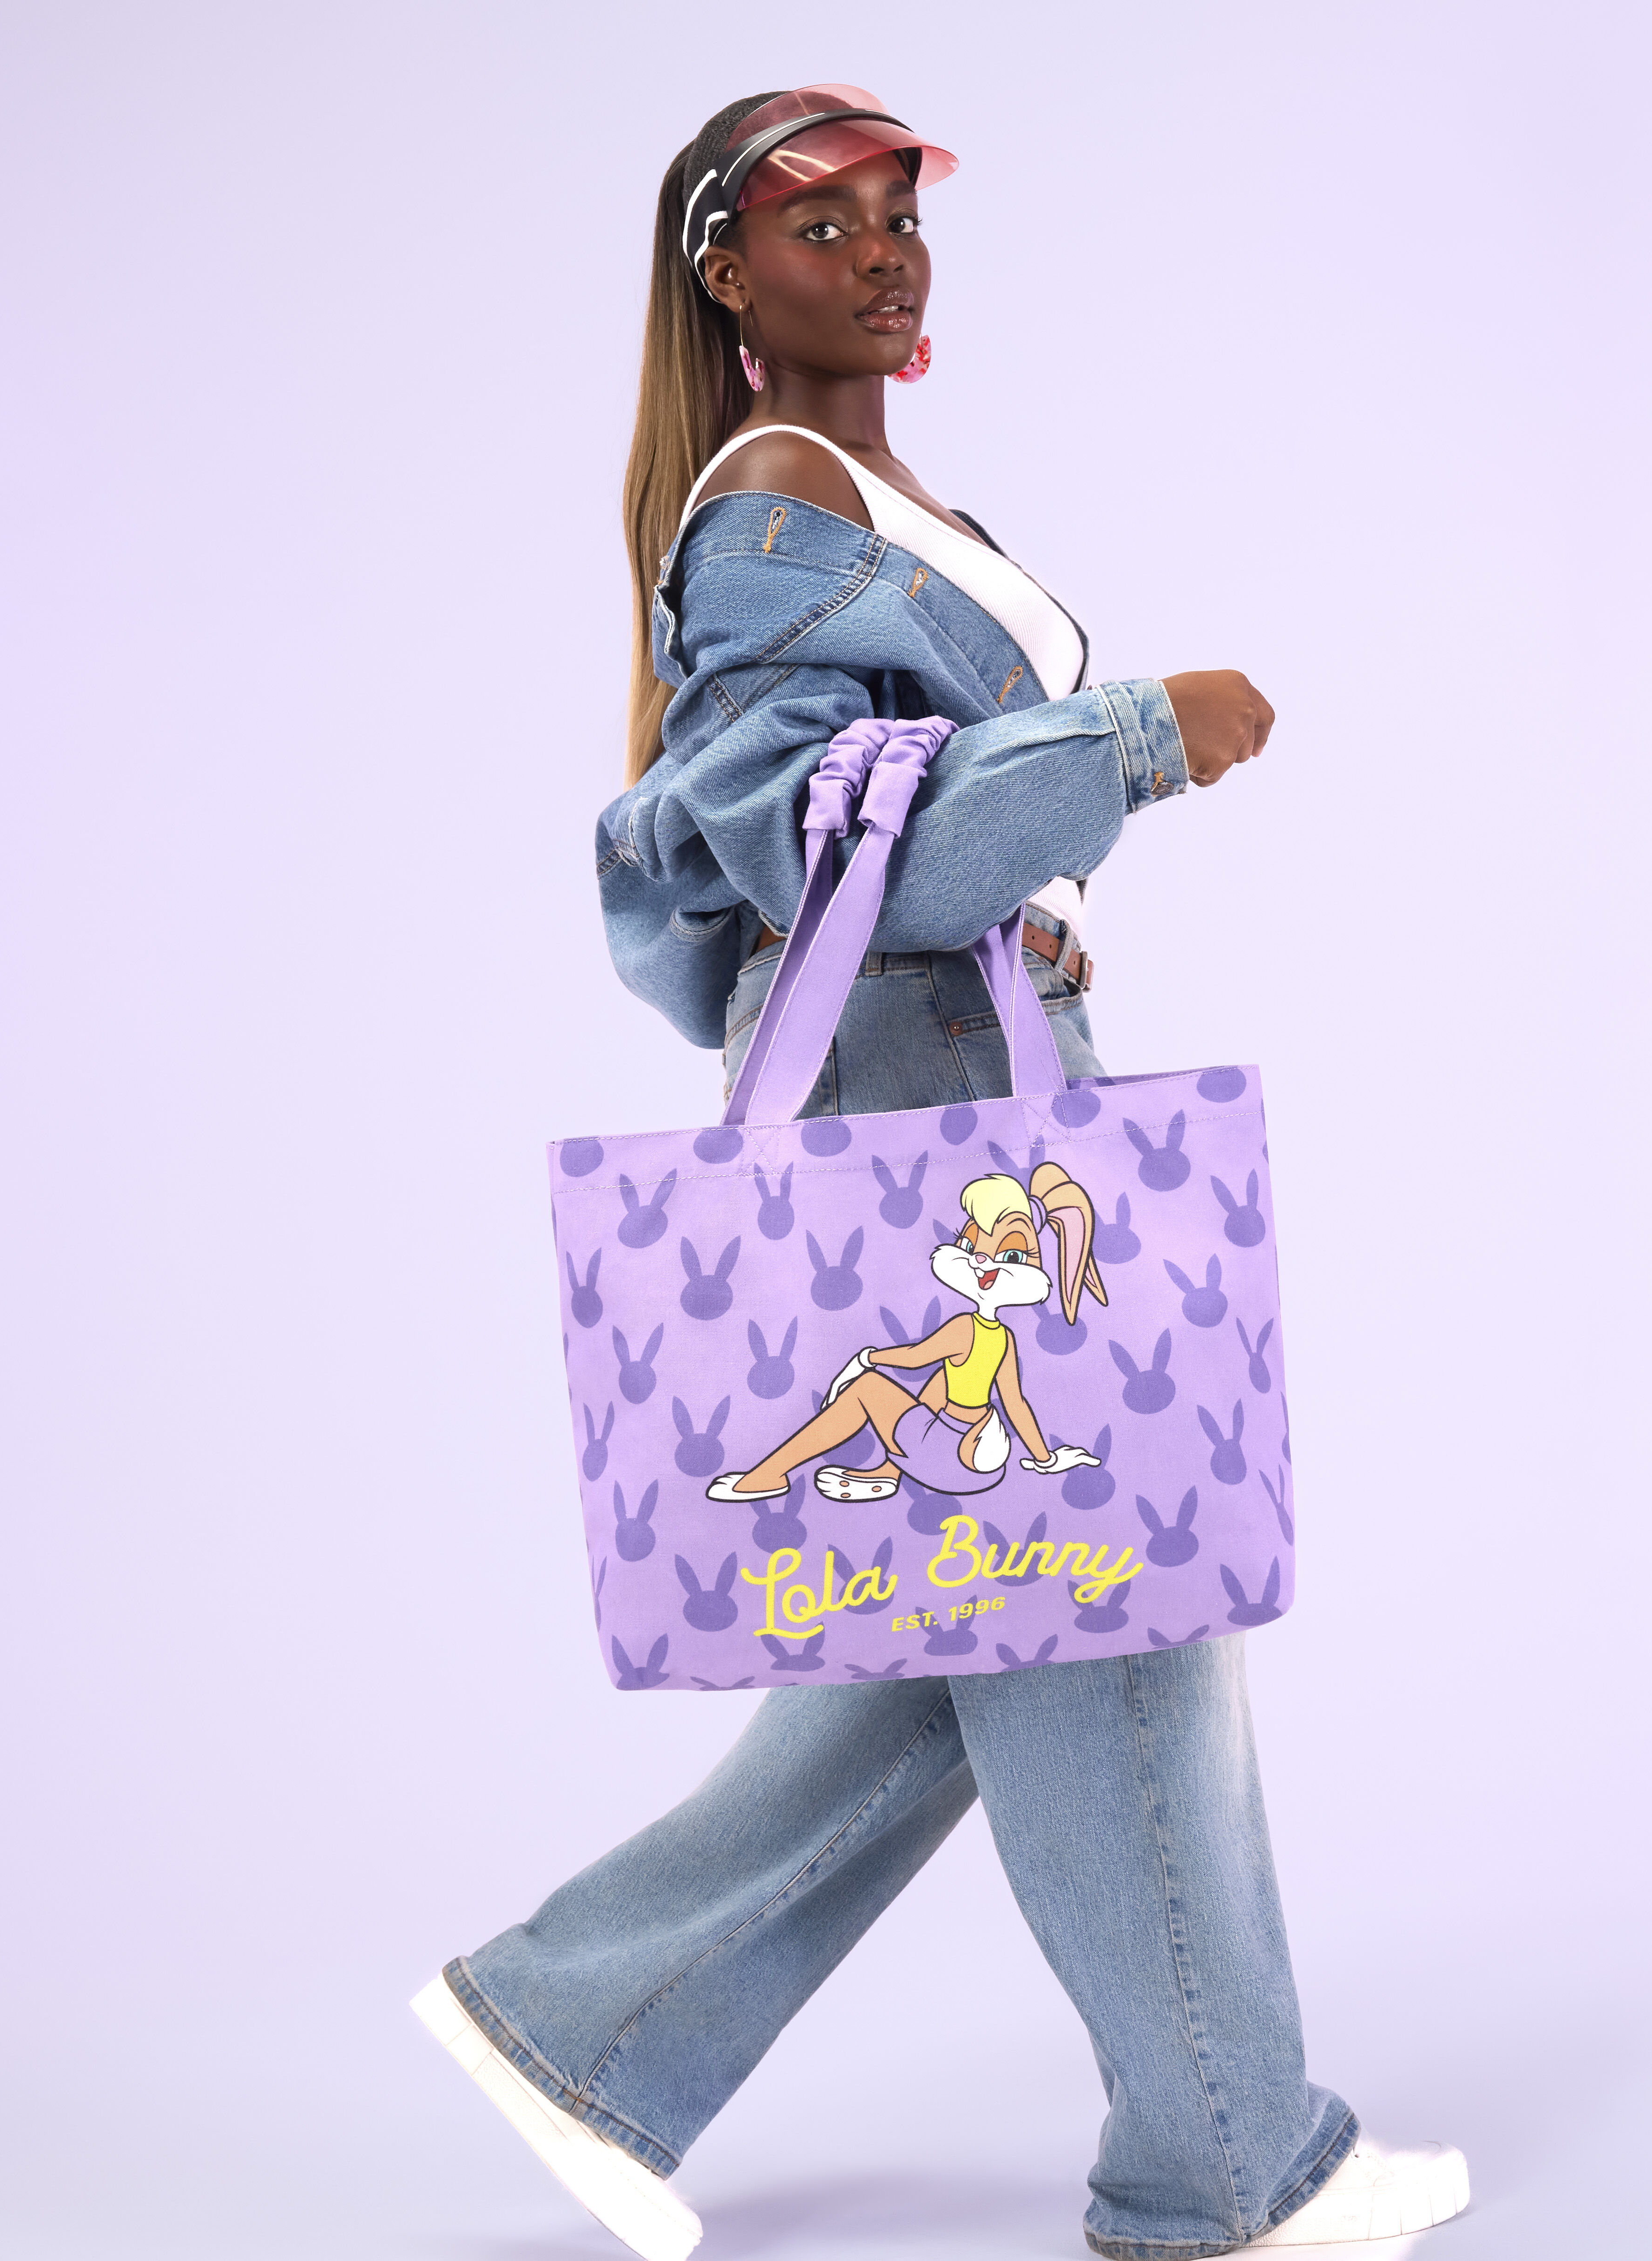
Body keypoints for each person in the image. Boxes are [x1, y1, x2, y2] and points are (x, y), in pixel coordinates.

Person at [411, 85, 1468, 2260]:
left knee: (979, 1626)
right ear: (728, 276)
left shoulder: (870, 500)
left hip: (969, 1072)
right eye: (828, 228)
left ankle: (576, 2029)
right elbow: (825, 852)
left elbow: (888, 821)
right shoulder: (768, 519)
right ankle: (1224, 2169)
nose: (886, 254)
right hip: (925, 1103)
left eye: (901, 217)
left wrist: (1049, 865)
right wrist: (1133, 738)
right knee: (1113, 1599)